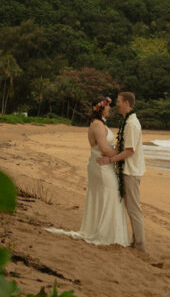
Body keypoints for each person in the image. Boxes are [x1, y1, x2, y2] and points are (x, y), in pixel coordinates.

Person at [47, 96, 130, 246]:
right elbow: (104, 149)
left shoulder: (99, 123)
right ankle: (105, 234)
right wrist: (119, 153)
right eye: (107, 106)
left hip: (101, 165)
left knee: (106, 195)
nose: (109, 108)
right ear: (101, 108)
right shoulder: (97, 125)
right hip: (101, 166)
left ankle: (106, 231)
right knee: (110, 195)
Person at [97, 91, 146, 251]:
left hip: (131, 171)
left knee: (133, 208)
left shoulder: (131, 124)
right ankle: (136, 242)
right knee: (131, 207)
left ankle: (139, 245)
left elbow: (129, 151)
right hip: (128, 170)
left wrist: (110, 160)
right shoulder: (127, 121)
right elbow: (122, 147)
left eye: (118, 101)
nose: (116, 104)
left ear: (126, 103)